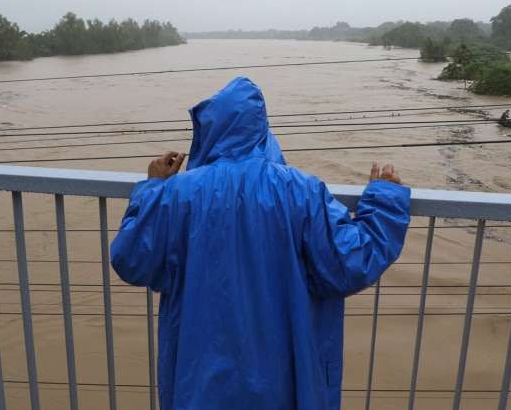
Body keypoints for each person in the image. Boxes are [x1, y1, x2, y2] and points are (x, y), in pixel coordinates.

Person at [111, 76, 411, 410]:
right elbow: (349, 262)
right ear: (261, 129)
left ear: (207, 133)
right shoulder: (300, 190)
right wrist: (383, 202)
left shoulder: (178, 195)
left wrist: (152, 188)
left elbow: (131, 258)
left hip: (198, 387)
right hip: (283, 384)